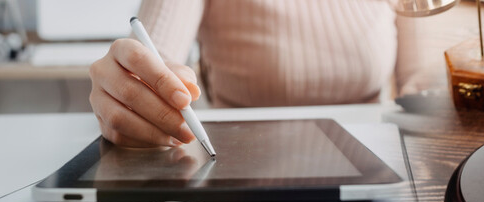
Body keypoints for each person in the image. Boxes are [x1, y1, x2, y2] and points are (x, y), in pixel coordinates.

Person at [89, 0, 429, 148]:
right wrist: (134, 81)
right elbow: (154, 52)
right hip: (241, 167)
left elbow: (420, 81)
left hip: (372, 160)